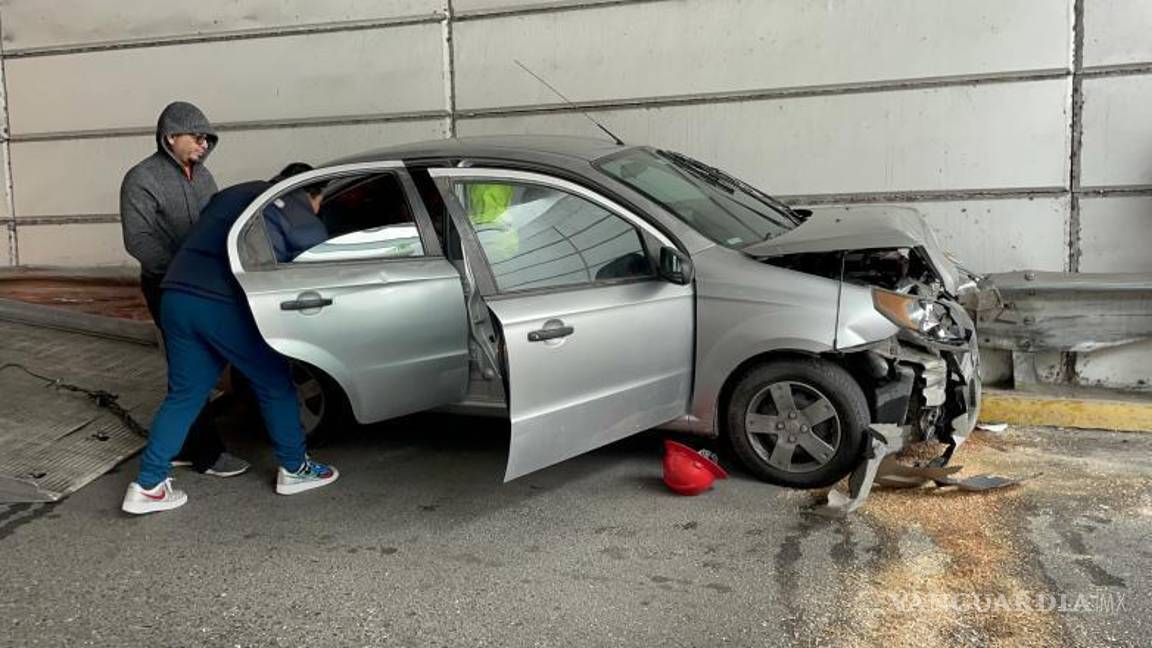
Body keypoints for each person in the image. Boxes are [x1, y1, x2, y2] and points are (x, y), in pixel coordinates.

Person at [121, 164, 338, 515]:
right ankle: (296, 468)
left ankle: (148, 485)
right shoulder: (292, 200)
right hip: (221, 302)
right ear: (312, 193)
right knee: (274, 380)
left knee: (185, 395)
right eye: (319, 202)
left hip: (175, 295)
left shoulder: (233, 192)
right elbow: (320, 256)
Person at [119, 101, 248, 478]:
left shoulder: (203, 177)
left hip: (203, 282)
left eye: (208, 139)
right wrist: (181, 271)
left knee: (191, 365)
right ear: (170, 137)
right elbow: (137, 239)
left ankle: (182, 445)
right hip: (166, 284)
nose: (204, 144)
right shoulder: (141, 178)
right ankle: (207, 453)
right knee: (191, 364)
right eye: (197, 136)